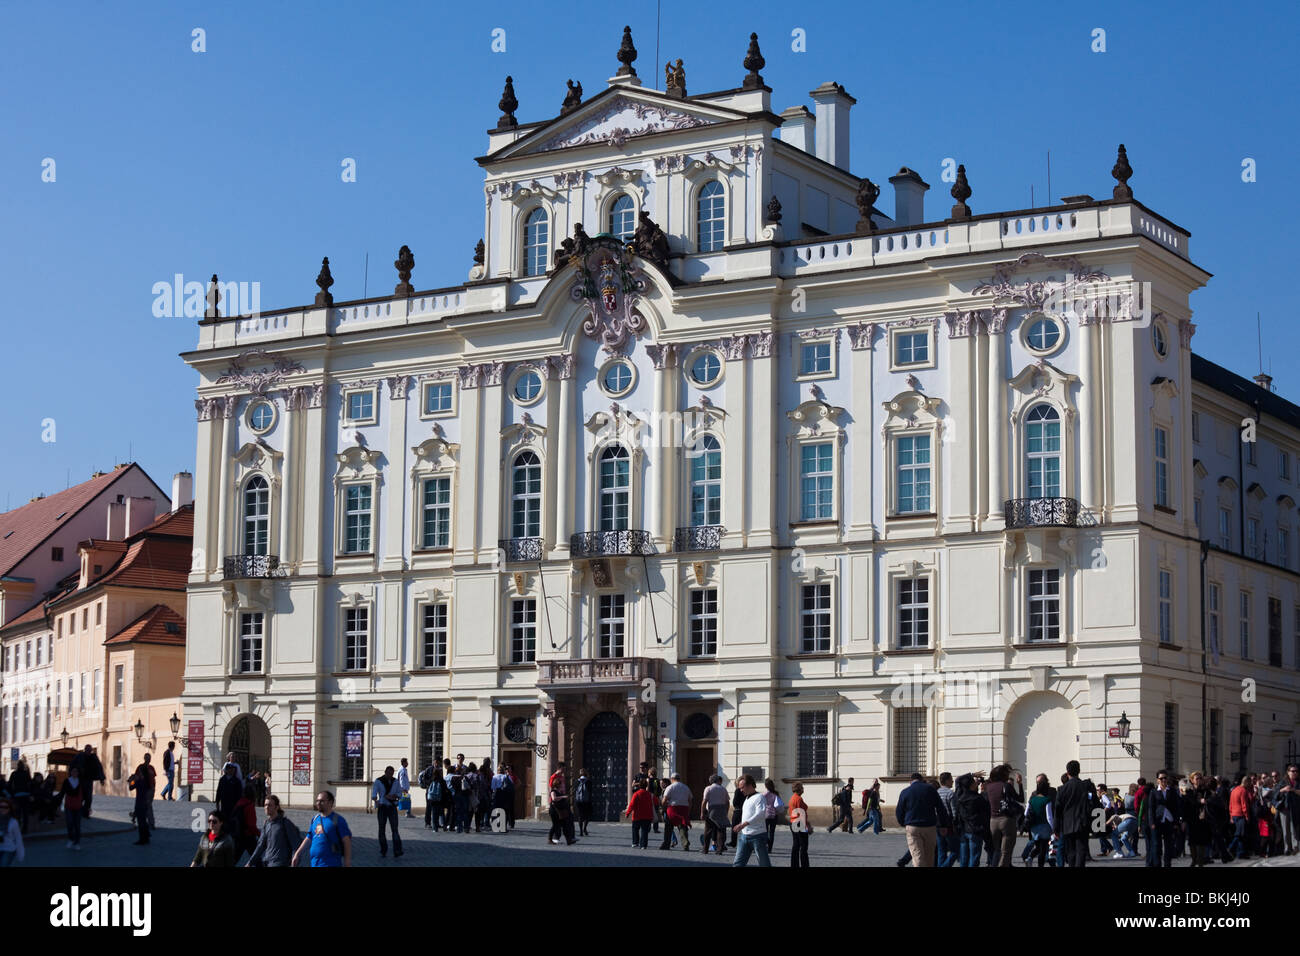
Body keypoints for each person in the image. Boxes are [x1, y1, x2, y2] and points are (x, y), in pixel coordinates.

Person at [895, 772, 951, 867]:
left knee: (917, 856)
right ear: (921, 780)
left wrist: (903, 823)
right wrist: (943, 825)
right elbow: (940, 808)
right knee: (930, 856)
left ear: (910, 782)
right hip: (930, 826)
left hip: (913, 826)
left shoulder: (905, 791)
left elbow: (899, 811)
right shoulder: (931, 789)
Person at [1053, 760, 1095, 867]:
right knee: (1081, 851)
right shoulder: (1086, 786)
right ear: (1079, 771)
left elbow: (1057, 810)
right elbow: (1093, 804)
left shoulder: (1062, 789)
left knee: (1070, 852)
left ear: (1067, 772)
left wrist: (1056, 828)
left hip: (1067, 824)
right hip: (1082, 823)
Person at [293, 791, 352, 867]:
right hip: (315, 863)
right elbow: (309, 837)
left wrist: (347, 862)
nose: (318, 803)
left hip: (331, 863)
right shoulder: (315, 819)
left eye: (322, 801)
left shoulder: (338, 820)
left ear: (330, 802)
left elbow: (346, 841)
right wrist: (297, 853)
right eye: (317, 801)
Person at [983, 764, 1023, 867]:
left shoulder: (989, 787)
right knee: (1006, 852)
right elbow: (1020, 799)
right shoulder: (1006, 786)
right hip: (1006, 820)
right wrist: (1020, 784)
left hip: (993, 821)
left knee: (997, 850)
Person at [245, 794, 301, 867]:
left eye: (269, 805)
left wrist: (294, 861)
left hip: (280, 863)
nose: (266, 807)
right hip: (266, 862)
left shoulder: (285, 823)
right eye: (265, 805)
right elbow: (260, 846)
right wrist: (250, 863)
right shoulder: (266, 824)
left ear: (276, 807)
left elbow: (295, 845)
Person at [1141, 769, 1181, 867]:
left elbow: (1176, 807)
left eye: (1165, 778)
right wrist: (1152, 823)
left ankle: (1167, 864)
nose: (1163, 780)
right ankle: (1157, 864)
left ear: (1168, 779)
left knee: (1168, 846)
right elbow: (1151, 808)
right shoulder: (1154, 792)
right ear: (1157, 780)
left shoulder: (1172, 791)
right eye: (1161, 778)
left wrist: (1176, 822)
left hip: (1169, 821)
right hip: (1157, 821)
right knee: (1156, 846)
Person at [731, 774, 770, 867]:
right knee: (737, 864)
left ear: (750, 785)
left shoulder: (760, 797)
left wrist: (743, 824)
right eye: (740, 788)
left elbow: (760, 814)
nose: (741, 790)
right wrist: (741, 824)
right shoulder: (747, 798)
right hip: (744, 836)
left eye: (742, 787)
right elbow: (748, 816)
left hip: (758, 836)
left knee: (764, 864)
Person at [953, 772, 990, 867]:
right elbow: (986, 811)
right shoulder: (977, 798)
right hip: (975, 830)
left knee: (964, 858)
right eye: (974, 783)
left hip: (963, 829)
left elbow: (958, 780)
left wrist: (971, 774)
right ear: (971, 785)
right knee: (974, 857)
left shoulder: (959, 796)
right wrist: (984, 791)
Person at [372, 765, 404, 858]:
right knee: (382, 829)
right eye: (389, 773)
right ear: (385, 772)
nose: (390, 775)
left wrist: (394, 796)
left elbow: (400, 794)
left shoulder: (396, 782)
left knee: (395, 829)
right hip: (382, 807)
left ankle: (397, 850)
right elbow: (374, 794)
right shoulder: (378, 781)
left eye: (392, 773)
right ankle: (383, 849)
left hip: (392, 807)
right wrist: (376, 799)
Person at [1024, 776, 1055, 866]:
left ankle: (1029, 858)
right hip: (1044, 827)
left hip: (1034, 828)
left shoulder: (1032, 800)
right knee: (1043, 848)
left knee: (1037, 847)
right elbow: (1049, 816)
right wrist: (1053, 828)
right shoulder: (1047, 800)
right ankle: (1040, 865)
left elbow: (1026, 813)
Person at [659, 773, 692, 850]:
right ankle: (685, 843)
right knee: (683, 826)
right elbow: (690, 800)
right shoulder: (686, 787)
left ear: (672, 779)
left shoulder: (670, 787)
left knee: (668, 827)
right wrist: (688, 811)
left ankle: (666, 844)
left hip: (672, 809)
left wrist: (664, 808)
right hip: (684, 808)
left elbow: (664, 800)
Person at [129, 752, 157, 845]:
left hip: (140, 801)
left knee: (141, 820)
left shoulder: (140, 781)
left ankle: (143, 838)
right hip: (145, 797)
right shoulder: (145, 781)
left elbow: (131, 787)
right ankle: (147, 834)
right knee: (144, 817)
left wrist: (131, 781)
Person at [71, 745, 104, 818]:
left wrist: (102, 778)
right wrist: (72, 777)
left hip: (89, 780)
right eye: (88, 750)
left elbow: (99, 767)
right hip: (80, 780)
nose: (89, 752)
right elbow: (72, 765)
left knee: (88, 798)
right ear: (85, 750)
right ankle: (78, 812)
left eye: (90, 750)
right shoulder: (79, 756)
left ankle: (85, 813)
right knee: (80, 797)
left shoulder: (93, 757)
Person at [701, 774, 731, 854]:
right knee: (721, 830)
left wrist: (702, 812)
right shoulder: (723, 789)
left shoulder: (708, 788)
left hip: (711, 810)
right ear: (718, 780)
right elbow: (727, 802)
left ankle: (705, 849)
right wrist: (726, 812)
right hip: (721, 810)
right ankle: (719, 849)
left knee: (708, 831)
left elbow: (704, 801)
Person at [624, 779, 657, 849]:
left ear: (639, 785)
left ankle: (635, 842)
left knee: (635, 829)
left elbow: (631, 804)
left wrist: (627, 813)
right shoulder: (649, 794)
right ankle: (643, 845)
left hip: (637, 816)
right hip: (647, 816)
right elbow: (656, 802)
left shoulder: (636, 794)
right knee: (644, 831)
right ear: (646, 786)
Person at [548, 765, 576, 845]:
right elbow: (553, 798)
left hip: (561, 808)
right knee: (556, 825)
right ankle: (551, 838)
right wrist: (562, 796)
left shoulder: (561, 782)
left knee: (565, 824)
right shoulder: (554, 789)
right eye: (560, 784)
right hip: (555, 809)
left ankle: (569, 839)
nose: (562, 785)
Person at [232, 783, 260, 862]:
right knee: (257, 858)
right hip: (248, 836)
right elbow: (251, 825)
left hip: (238, 835)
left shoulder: (239, 803)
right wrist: (259, 834)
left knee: (233, 859)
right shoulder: (249, 805)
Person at [788, 781, 811, 867]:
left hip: (793, 822)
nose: (803, 789)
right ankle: (804, 865)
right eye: (802, 787)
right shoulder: (798, 799)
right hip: (799, 823)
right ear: (799, 789)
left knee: (796, 846)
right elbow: (801, 813)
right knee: (803, 847)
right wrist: (807, 825)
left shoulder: (793, 798)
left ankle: (794, 864)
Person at [60, 768, 83, 849]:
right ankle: (71, 839)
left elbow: (85, 794)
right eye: (73, 771)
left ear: (78, 773)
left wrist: (87, 805)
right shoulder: (67, 781)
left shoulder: (80, 782)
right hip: (69, 805)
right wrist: (58, 801)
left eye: (76, 771)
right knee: (69, 823)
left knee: (77, 825)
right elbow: (62, 792)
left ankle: (77, 843)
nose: (75, 773)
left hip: (78, 806)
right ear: (70, 772)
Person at [7, 759, 32, 833]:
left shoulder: (14, 774)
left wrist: (12, 794)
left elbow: (10, 784)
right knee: (25, 813)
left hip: (17, 795)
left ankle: (17, 828)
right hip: (25, 795)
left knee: (17, 813)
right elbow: (30, 784)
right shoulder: (26, 773)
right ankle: (25, 828)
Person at [761, 778, 784, 853]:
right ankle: (770, 848)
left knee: (765, 831)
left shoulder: (764, 794)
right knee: (772, 832)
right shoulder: (776, 793)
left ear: (766, 786)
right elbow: (779, 804)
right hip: (774, 815)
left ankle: (766, 843)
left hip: (766, 815)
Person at [0, 798, 24, 866]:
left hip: (8, 849)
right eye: (1, 807)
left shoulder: (13, 822)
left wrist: (20, 854)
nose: (3, 809)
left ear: (9, 809)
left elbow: (18, 838)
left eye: (5, 807)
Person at [572, 768, 592, 836]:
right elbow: (590, 791)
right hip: (586, 801)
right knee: (587, 815)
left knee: (580, 816)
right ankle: (585, 828)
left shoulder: (576, 781)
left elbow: (574, 791)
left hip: (578, 801)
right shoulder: (588, 781)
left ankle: (580, 831)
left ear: (579, 774)